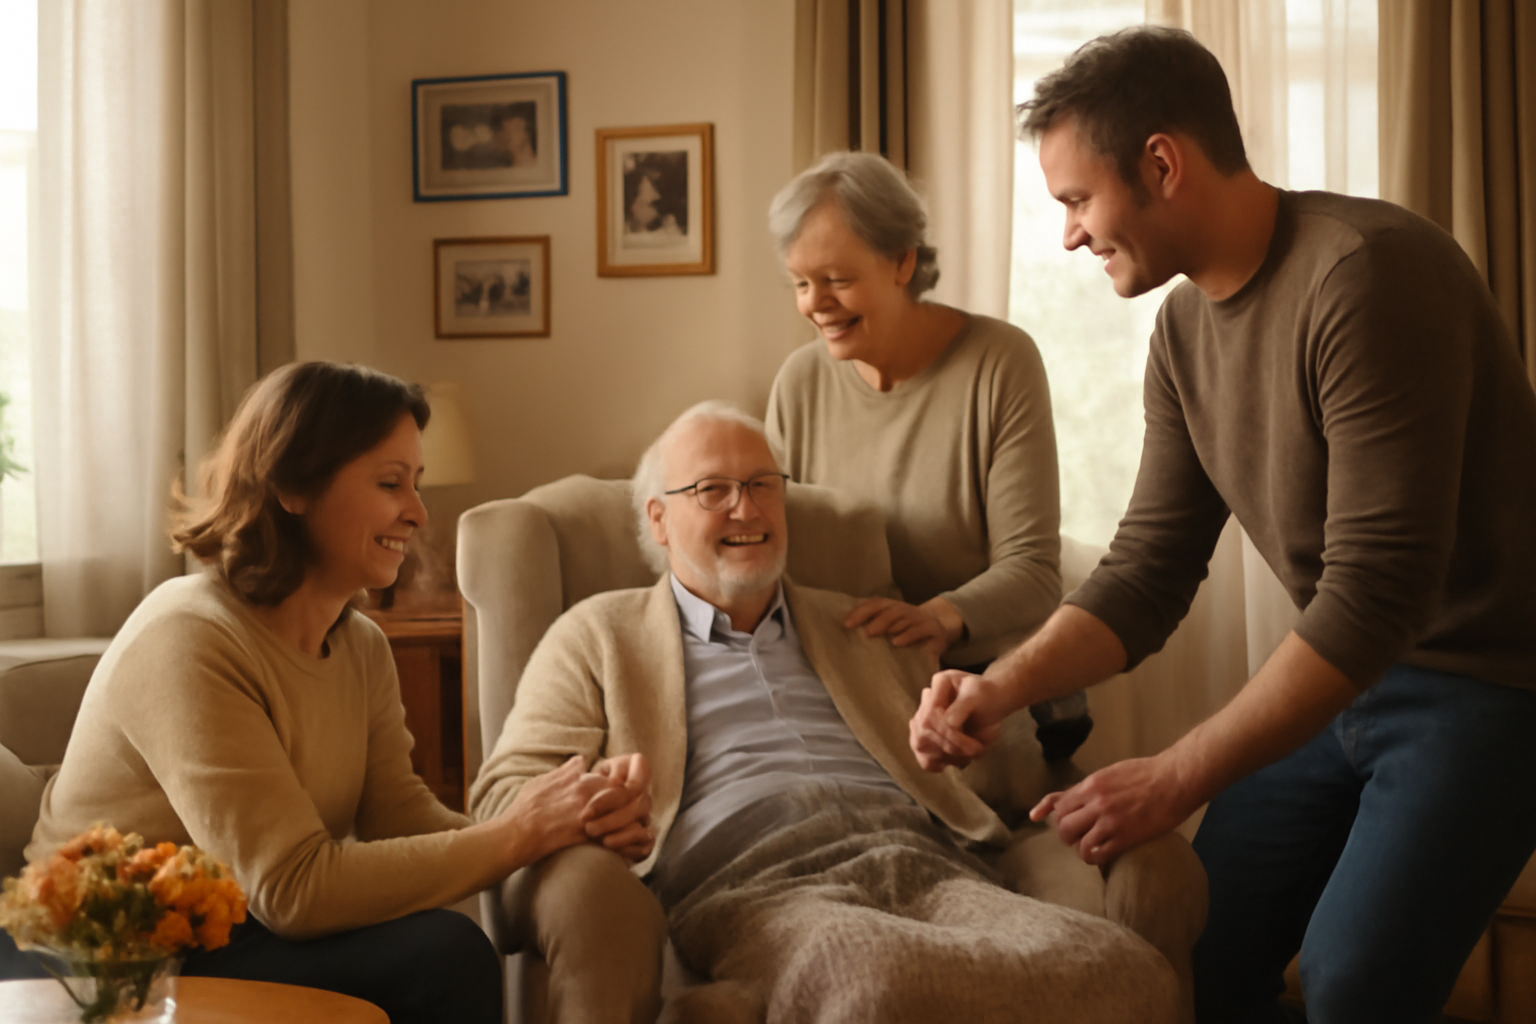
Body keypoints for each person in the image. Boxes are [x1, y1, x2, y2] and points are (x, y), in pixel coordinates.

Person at [909, 25, 1536, 1024]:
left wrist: (1171, 774)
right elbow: (1150, 569)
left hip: (1487, 687)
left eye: (1076, 200)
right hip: (1347, 679)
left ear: (1162, 163)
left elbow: (1377, 594)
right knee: (1203, 951)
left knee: (1352, 985)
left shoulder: (1369, 275)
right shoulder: (1184, 331)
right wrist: (1001, 687)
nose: (1069, 234)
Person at [471, 401, 1205, 1024]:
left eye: (762, 484)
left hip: (930, 863)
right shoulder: (598, 634)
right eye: (713, 490)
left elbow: (1004, 766)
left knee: (1125, 973)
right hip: (751, 878)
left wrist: (969, 738)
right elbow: (504, 796)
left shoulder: (868, 626)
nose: (747, 508)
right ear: (659, 521)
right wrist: (590, 804)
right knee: (871, 986)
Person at [5, 362, 650, 1023]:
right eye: (389, 482)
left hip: (231, 931)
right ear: (292, 486)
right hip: (90, 957)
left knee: (444, 946)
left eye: (416, 483)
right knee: (445, 956)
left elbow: (399, 818)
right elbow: (292, 888)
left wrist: (564, 821)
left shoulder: (359, 643)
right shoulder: (189, 637)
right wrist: (517, 835)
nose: (418, 512)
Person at [764, 151, 1092, 761]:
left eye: (836, 279)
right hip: (850, 679)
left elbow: (1033, 573)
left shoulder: (1000, 362)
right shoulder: (798, 382)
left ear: (902, 262)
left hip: (982, 678)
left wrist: (938, 619)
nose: (816, 304)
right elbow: (784, 554)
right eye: (801, 284)